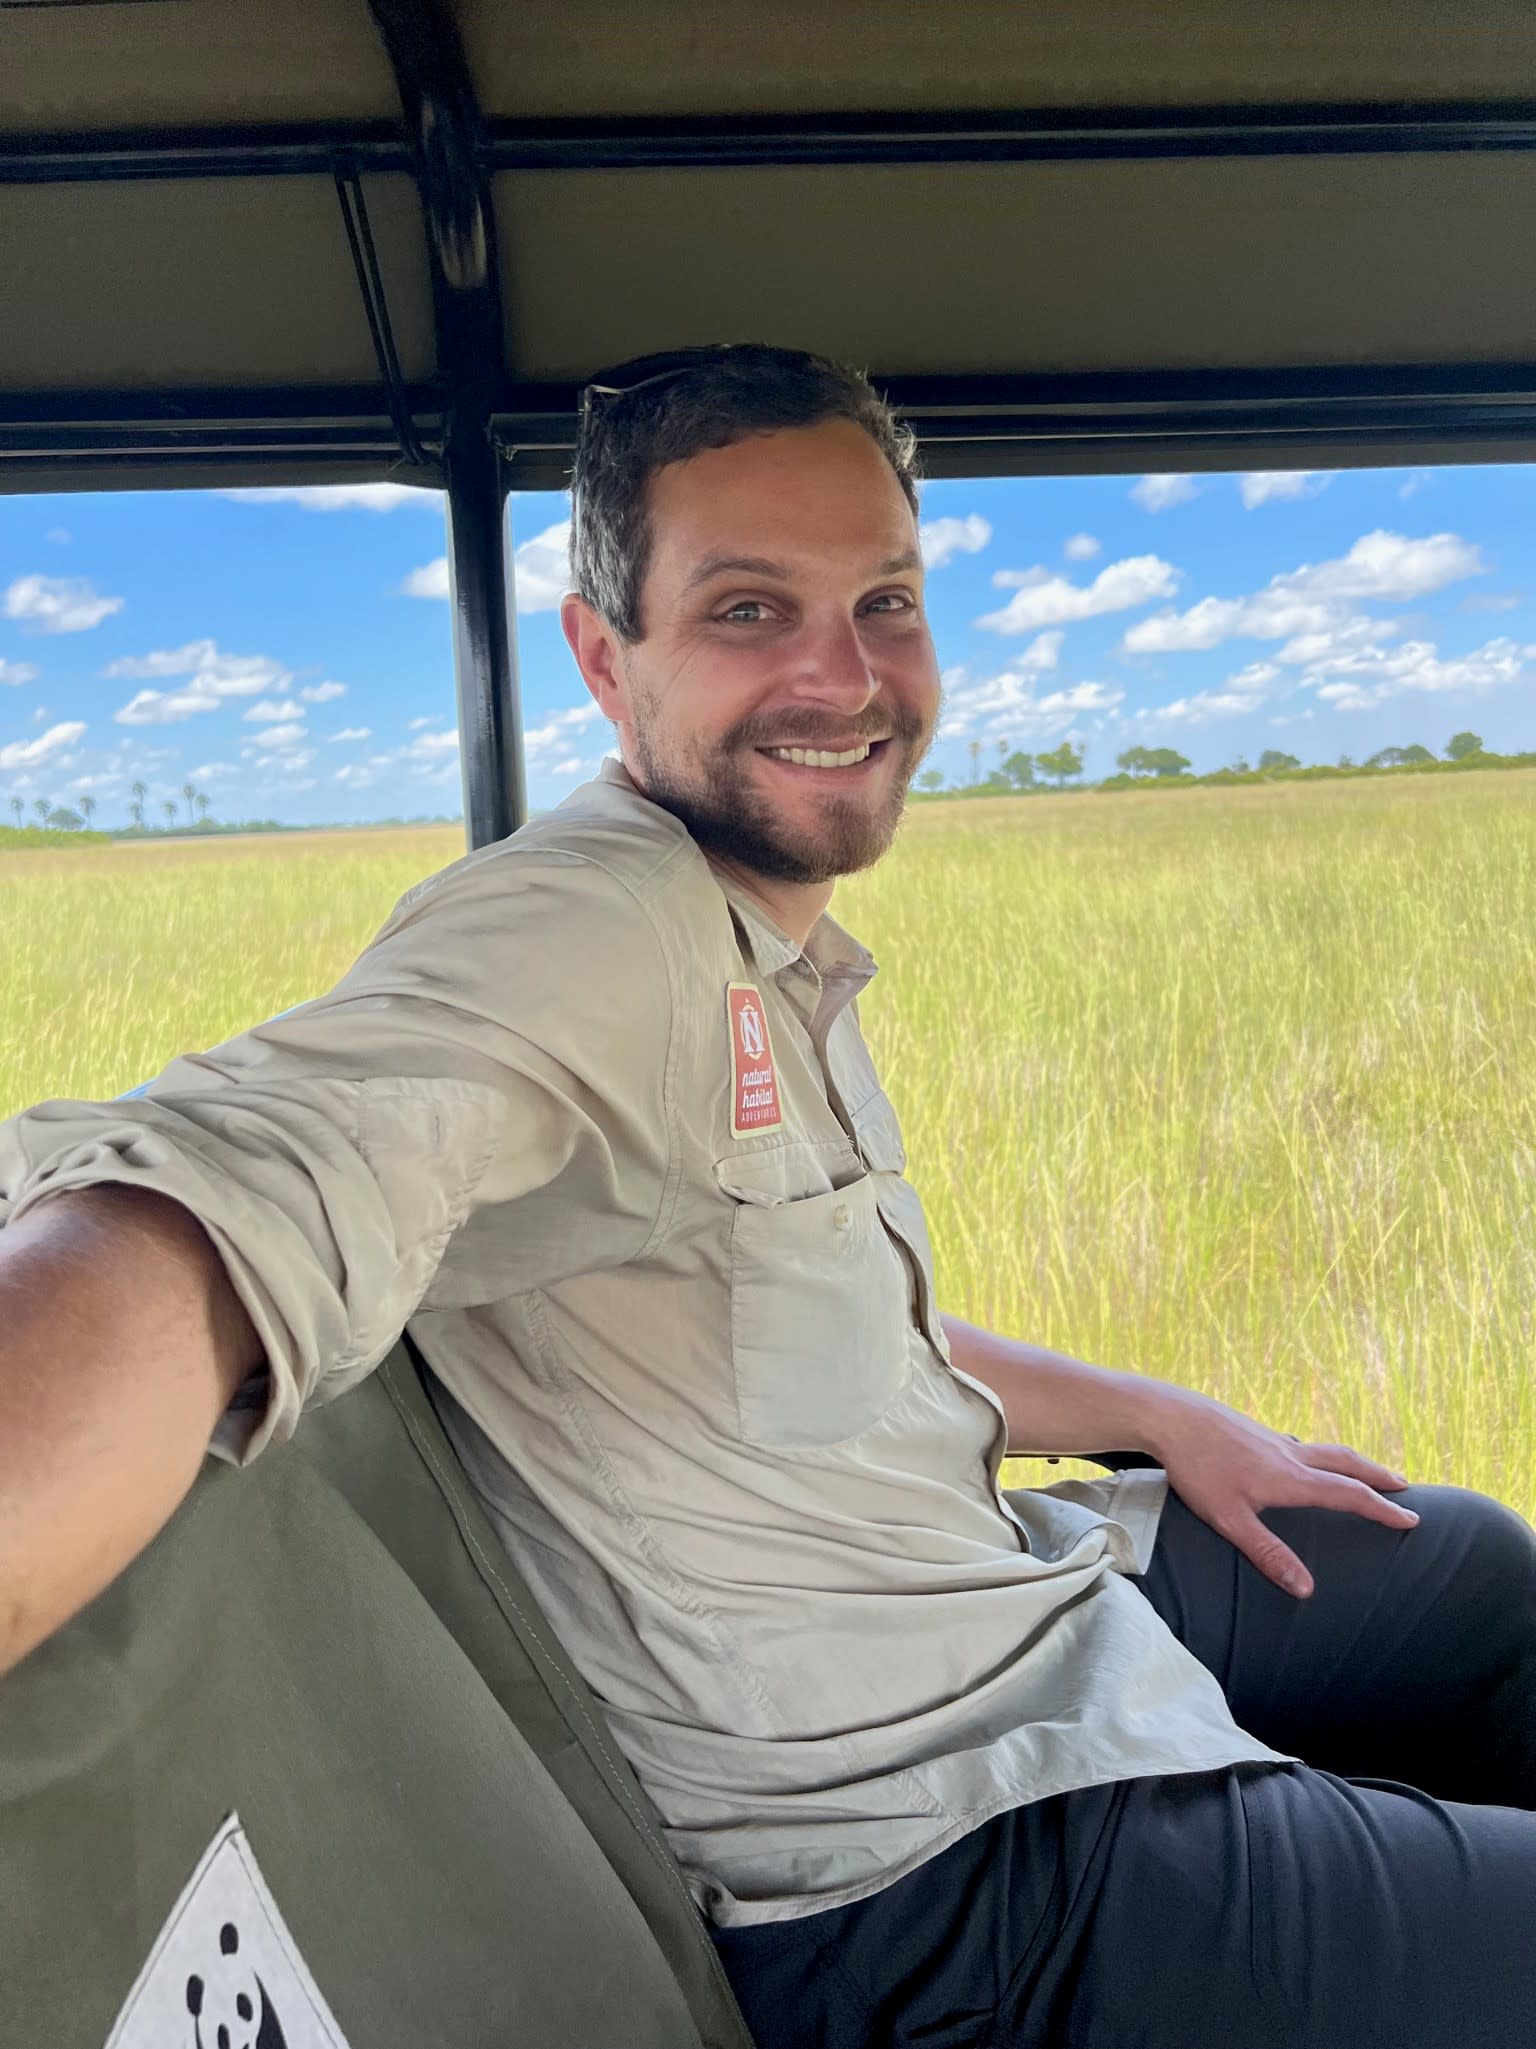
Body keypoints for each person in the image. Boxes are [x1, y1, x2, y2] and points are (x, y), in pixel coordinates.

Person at [1, 342, 1534, 2049]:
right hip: (929, 1866)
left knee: (1471, 1571)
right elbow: (228, 1190)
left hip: (1002, 1592)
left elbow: (831, 1334)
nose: (844, 672)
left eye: (885, 600)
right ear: (605, 656)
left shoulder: (763, 939)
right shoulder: (590, 933)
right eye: (746, 609)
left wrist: (1165, 1411)